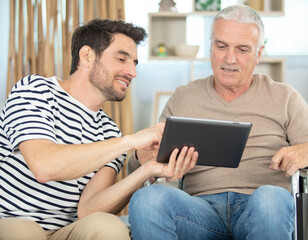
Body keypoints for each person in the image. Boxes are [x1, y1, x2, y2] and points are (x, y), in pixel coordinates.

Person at [128, 4, 308, 240]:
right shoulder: (183, 97)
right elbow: (141, 170)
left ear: (258, 54)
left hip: (262, 208)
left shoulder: (285, 97)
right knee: (147, 200)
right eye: (221, 46)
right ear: (211, 46)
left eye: (242, 49)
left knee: (271, 199)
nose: (229, 58)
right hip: (199, 212)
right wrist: (141, 159)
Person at [0, 19, 198, 240]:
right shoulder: (35, 91)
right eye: (121, 59)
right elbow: (44, 166)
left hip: (65, 232)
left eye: (134, 63)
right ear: (87, 56)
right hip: (11, 222)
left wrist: (148, 170)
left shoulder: (109, 132)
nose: (132, 72)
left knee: (108, 226)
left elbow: (89, 210)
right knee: (24, 233)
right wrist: (129, 141)